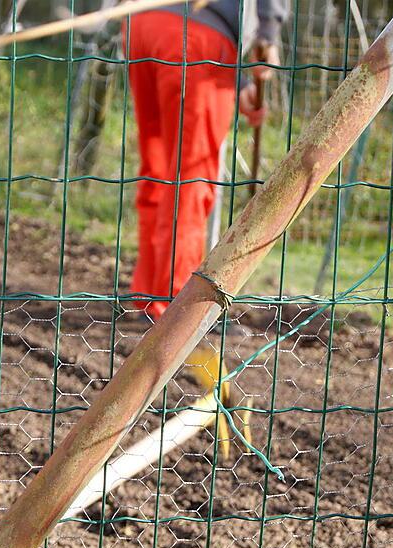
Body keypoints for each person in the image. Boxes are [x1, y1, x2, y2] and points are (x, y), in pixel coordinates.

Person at [123, 0, 289, 320]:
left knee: (158, 165)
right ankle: (175, 311)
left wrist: (237, 81)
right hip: (198, 36)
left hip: (141, 22)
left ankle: (148, 295)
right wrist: (267, 33)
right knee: (191, 175)